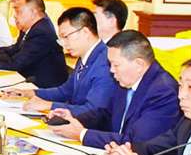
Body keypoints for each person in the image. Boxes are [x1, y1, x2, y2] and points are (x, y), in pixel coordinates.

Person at [49, 30, 181, 147]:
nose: (111, 70)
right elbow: (106, 114)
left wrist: (82, 134)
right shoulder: (127, 79)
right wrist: (73, 119)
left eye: (116, 65)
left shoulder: (163, 92)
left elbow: (136, 142)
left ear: (139, 64)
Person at [9, 7, 118, 116]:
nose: (64, 45)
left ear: (85, 32)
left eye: (66, 37)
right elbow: (65, 91)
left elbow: (94, 110)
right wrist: (29, 93)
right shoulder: (86, 55)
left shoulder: (105, 63)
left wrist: (50, 105)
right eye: (62, 39)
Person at [0, 0, 68, 88]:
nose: (15, 16)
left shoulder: (41, 32)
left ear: (33, 12)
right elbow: (16, 49)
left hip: (44, 87)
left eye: (18, 12)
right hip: (28, 78)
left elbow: (15, 64)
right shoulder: (32, 25)